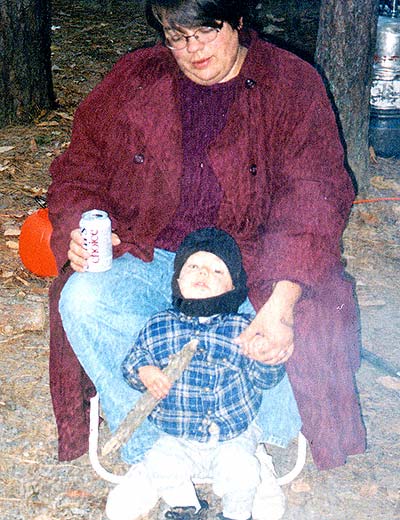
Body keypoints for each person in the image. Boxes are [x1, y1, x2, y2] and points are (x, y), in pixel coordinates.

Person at [47, 0, 366, 474]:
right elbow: (80, 166)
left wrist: (282, 304)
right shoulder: (136, 77)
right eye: (176, 37)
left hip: (252, 266)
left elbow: (315, 196)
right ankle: (157, 452)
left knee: (303, 336)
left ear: (238, 21)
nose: (191, 49)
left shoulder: (291, 83)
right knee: (83, 300)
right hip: (153, 254)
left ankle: (244, 440)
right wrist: (77, 223)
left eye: (205, 32)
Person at [106, 227, 286, 520]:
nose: (203, 273)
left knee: (243, 470)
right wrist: (145, 371)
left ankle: (237, 513)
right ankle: (184, 506)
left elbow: (263, 380)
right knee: (159, 460)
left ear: (232, 287)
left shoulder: (242, 330)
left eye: (217, 270)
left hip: (232, 433)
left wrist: (267, 360)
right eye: (193, 266)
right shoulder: (160, 325)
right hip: (176, 433)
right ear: (178, 279)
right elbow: (133, 363)